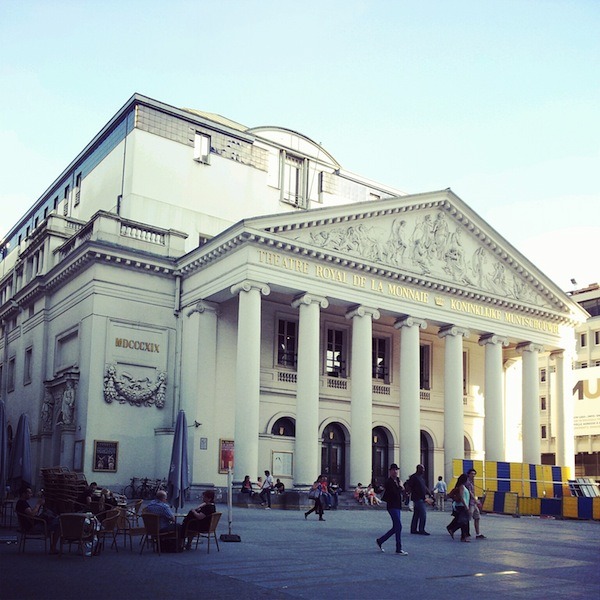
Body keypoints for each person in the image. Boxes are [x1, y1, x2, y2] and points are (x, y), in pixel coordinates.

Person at [15, 486, 59, 554]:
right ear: (23, 494)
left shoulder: (21, 502)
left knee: (51, 517)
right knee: (58, 525)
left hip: (32, 524)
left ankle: (53, 547)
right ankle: (53, 548)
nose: (31, 495)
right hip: (31, 527)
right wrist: (38, 504)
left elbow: (32, 514)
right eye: (29, 493)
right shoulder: (22, 503)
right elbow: (32, 514)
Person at [376, 464, 408, 555]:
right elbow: (394, 492)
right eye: (393, 470)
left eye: (396, 470)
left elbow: (401, 491)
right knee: (399, 526)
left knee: (396, 527)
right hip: (392, 506)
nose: (395, 471)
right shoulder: (389, 482)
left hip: (397, 505)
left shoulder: (397, 480)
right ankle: (398, 548)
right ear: (390, 471)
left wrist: (402, 488)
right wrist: (401, 487)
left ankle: (380, 540)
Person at [405, 464, 433, 535]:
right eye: (422, 469)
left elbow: (424, 487)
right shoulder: (414, 477)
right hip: (418, 498)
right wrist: (407, 494)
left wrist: (430, 494)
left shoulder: (420, 478)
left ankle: (413, 529)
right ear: (418, 469)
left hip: (420, 498)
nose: (424, 470)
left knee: (416, 514)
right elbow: (410, 486)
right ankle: (421, 529)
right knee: (423, 514)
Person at [446, 474, 471, 542]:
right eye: (467, 479)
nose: (468, 481)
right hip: (462, 506)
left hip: (461, 505)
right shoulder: (462, 487)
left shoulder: (462, 486)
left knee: (463, 521)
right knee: (464, 521)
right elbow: (462, 497)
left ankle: (463, 537)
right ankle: (452, 529)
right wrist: (466, 506)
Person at [466, 468, 485, 539]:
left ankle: (478, 533)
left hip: (473, 503)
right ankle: (464, 532)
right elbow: (470, 492)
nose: (473, 475)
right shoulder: (467, 482)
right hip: (470, 502)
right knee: (467, 518)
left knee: (477, 517)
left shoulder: (471, 482)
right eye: (472, 474)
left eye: (474, 474)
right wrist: (475, 499)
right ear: (468, 474)